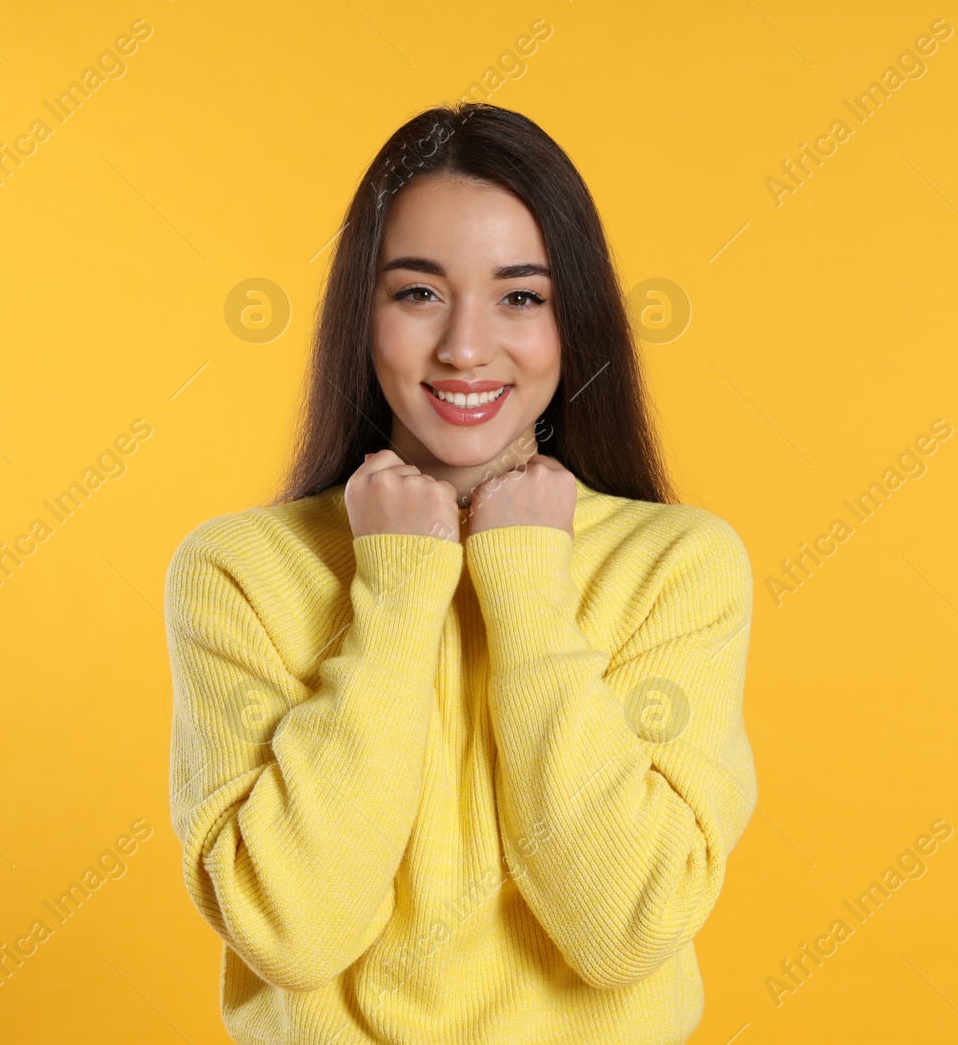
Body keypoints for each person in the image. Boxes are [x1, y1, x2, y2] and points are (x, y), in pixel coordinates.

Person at [165, 102, 756, 1044]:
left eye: (521, 295)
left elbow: (625, 926)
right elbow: (291, 930)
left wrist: (523, 579)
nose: (466, 348)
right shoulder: (239, 571)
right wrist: (398, 586)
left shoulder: (677, 566)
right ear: (362, 314)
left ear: (577, 321)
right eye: (419, 293)